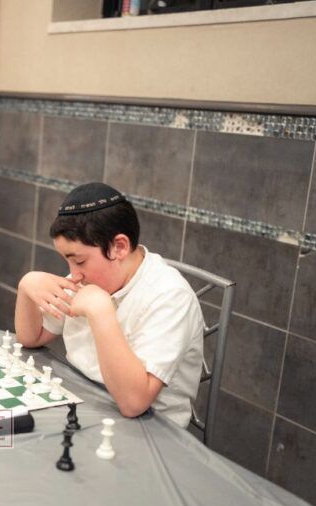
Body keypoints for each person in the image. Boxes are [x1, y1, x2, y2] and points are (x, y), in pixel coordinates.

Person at [14, 183, 204, 428]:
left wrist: (101, 312)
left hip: (149, 428)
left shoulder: (171, 296)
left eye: (79, 261)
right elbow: (32, 337)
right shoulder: (88, 279)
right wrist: (26, 287)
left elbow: (133, 404)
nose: (74, 274)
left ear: (119, 247)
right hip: (84, 403)